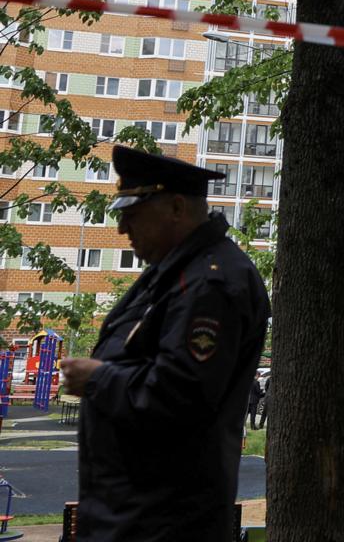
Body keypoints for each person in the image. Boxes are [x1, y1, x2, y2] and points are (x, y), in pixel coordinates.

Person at [60, 146, 271, 542]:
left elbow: (181, 395)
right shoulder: (175, 272)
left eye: (132, 214)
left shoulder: (210, 283)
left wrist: (98, 380)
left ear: (176, 207)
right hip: (135, 514)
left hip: (165, 522)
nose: (123, 229)